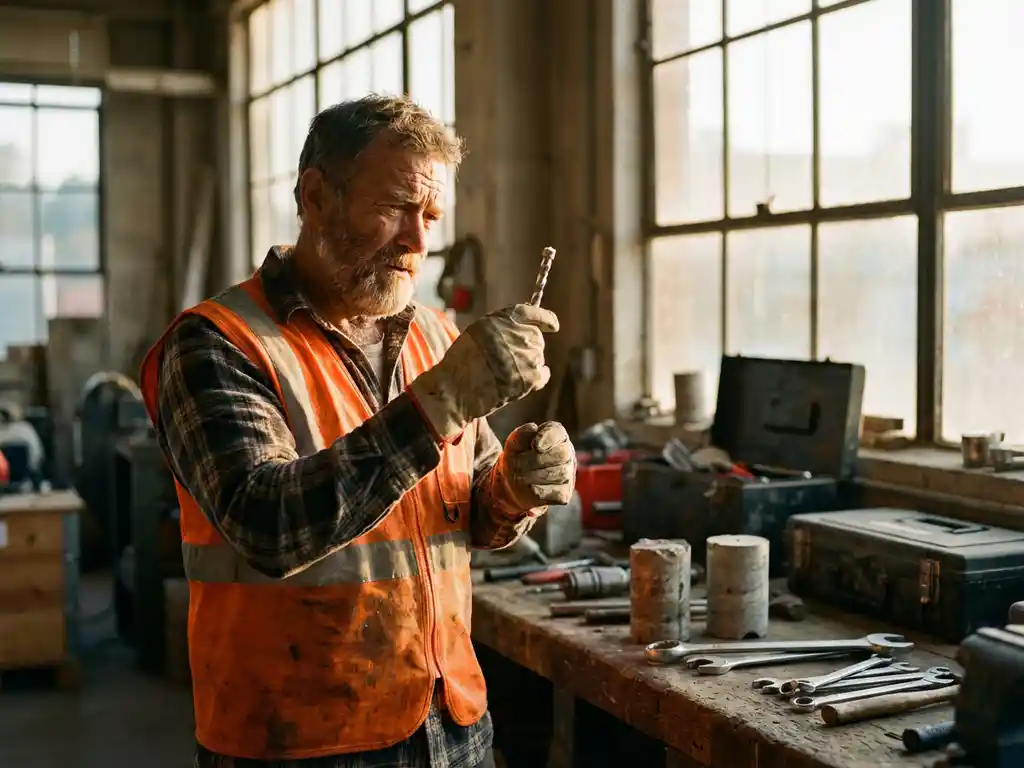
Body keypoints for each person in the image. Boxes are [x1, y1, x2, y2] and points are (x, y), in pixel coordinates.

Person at [139, 94, 576, 768]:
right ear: (316, 198)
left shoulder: (436, 336)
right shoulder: (218, 344)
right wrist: (439, 405)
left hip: (450, 724)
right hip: (299, 740)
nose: (417, 242)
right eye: (396, 207)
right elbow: (267, 524)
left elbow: (467, 512)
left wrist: (515, 490)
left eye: (431, 217)